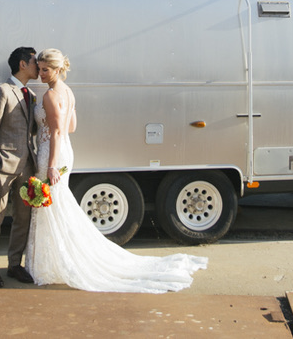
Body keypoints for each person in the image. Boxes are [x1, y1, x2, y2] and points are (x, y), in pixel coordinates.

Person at [25, 48, 208, 292]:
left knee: (51, 206)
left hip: (53, 154)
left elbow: (58, 131)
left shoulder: (50, 96)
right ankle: (57, 259)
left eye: (45, 70)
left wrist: (50, 165)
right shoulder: (68, 92)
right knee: (56, 205)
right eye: (39, 69)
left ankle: (52, 263)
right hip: (65, 151)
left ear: (58, 70)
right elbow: (72, 126)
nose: (41, 74)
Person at [0, 46, 40, 288]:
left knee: (23, 217)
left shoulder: (32, 95)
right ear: (23, 64)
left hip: (27, 165)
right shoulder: (2, 91)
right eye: (35, 61)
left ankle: (15, 264)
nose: (39, 66)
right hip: (3, 165)